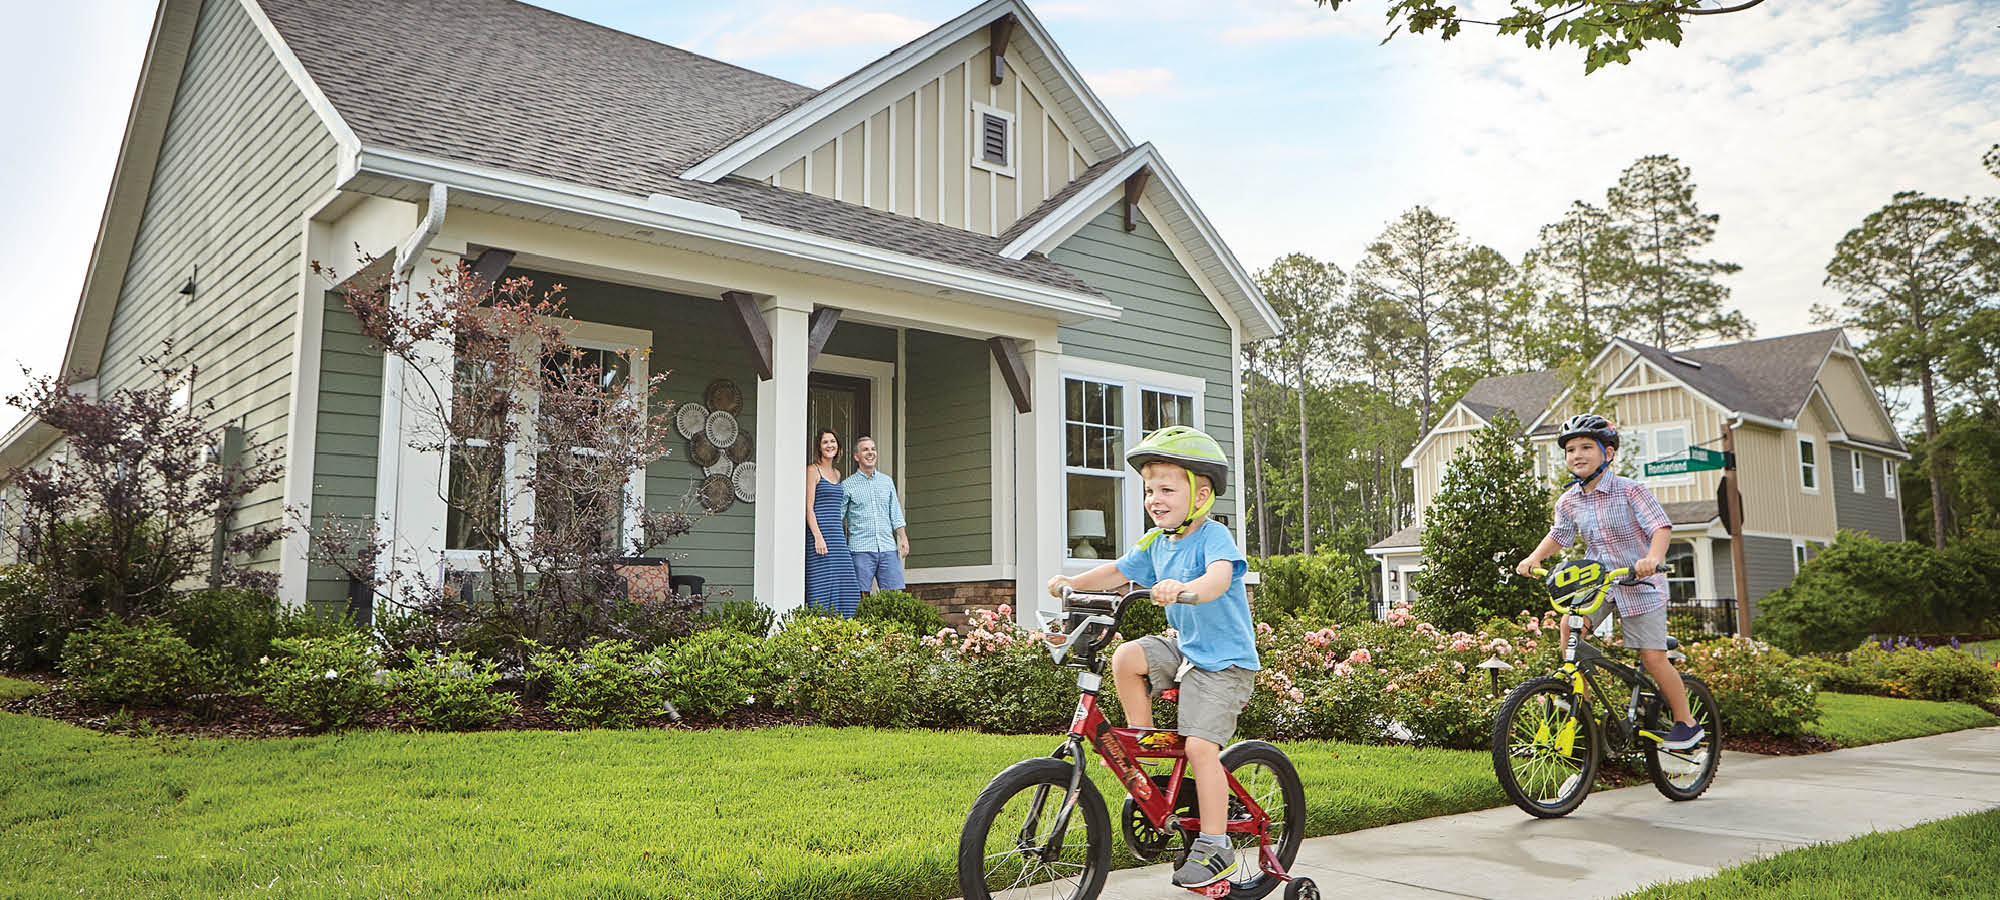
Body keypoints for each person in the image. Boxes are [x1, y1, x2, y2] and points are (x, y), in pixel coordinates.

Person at [1045, 426, 1257, 890]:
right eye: (1148, 489)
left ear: (1201, 494)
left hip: (1226, 663)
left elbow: (1220, 579)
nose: (1154, 498)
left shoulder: (1212, 537)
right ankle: (1142, 746)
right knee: (1127, 656)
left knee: (1201, 747)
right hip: (1187, 649)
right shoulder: (1156, 543)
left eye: (1166, 488)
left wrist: (1187, 589)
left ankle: (1218, 843)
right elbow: (1119, 571)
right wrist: (1073, 582)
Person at [1516, 413, 1704, 751]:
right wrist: (1534, 559)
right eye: (1571, 449)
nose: (1577, 454)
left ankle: (1686, 723)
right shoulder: (1569, 500)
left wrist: (1653, 559)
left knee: (1652, 657)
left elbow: (1660, 527)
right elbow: (1559, 535)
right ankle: (1580, 707)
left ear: (1609, 453)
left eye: (1587, 446)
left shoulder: (1631, 491)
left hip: (1641, 584)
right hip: (1601, 582)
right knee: (1568, 626)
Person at [842, 435, 909, 594]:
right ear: (856, 456)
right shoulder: (847, 485)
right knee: (860, 597)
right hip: (860, 549)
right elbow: (838, 517)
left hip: (887, 547)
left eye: (873, 449)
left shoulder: (887, 482)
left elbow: (895, 512)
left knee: (894, 597)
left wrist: (903, 538)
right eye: (865, 449)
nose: (870, 452)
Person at [805, 428, 859, 617]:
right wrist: (818, 537)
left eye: (833, 442)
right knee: (822, 582)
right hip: (819, 534)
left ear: (838, 446)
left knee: (847, 580)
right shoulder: (813, 470)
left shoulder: (837, 474)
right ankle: (818, 623)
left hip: (836, 534)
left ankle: (842, 624)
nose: (830, 445)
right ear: (819, 447)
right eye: (825, 442)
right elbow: (808, 508)